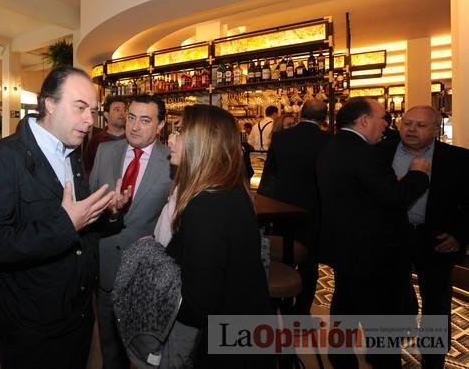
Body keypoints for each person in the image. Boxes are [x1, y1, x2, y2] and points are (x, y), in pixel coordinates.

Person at [0, 66, 117, 369]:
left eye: (93, 110)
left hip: (76, 314)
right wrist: (66, 224)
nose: (90, 120)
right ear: (49, 104)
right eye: (80, 107)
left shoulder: (71, 153)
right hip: (31, 326)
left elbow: (78, 223)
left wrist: (106, 213)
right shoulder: (3, 159)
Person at [317, 97, 431, 369]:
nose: (386, 124)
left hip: (345, 249)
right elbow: (394, 198)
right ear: (364, 120)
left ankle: (341, 360)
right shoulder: (365, 154)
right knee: (381, 325)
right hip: (374, 256)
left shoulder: (332, 147)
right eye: (382, 118)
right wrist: (418, 175)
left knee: (345, 309)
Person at [164, 104, 274, 368]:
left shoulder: (205, 205)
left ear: (201, 143)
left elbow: (197, 303)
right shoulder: (230, 191)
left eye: (179, 132)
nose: (170, 139)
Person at [379, 105, 468, 369]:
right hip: (391, 239)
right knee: (388, 302)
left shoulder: (457, 159)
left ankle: (433, 360)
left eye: (420, 125)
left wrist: (459, 236)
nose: (411, 129)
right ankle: (386, 358)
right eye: (407, 123)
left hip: (437, 241)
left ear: (436, 129)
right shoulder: (380, 153)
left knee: (436, 305)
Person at [89, 94, 172, 369]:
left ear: (160, 126)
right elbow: (89, 205)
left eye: (145, 120)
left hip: (147, 275)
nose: (134, 127)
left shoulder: (173, 162)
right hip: (106, 270)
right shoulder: (105, 152)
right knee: (109, 351)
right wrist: (105, 210)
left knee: (145, 354)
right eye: (131, 118)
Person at [258, 99, 330, 315]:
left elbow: (269, 176)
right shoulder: (329, 141)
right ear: (324, 118)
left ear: (300, 114)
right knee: (310, 265)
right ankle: (300, 312)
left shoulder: (281, 138)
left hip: (281, 210)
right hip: (314, 212)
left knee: (280, 257)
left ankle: (275, 304)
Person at [83, 95, 127, 173]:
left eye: (124, 110)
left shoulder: (132, 139)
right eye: (117, 110)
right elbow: (88, 169)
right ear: (106, 115)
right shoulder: (95, 141)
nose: (122, 113)